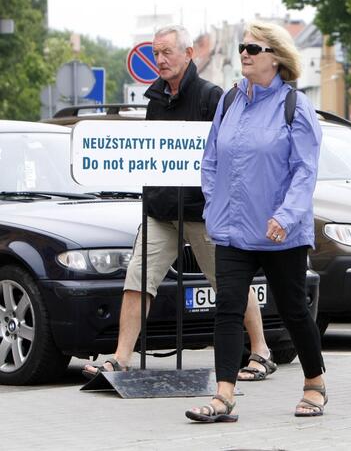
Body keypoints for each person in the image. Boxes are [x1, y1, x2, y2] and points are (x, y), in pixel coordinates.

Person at [83, 25, 275, 383]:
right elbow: (155, 152)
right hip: (160, 211)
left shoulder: (209, 96)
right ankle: (122, 359)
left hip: (203, 212)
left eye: (166, 52)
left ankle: (261, 351)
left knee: (228, 283)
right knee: (137, 280)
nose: (159, 60)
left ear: (188, 54)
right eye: (155, 53)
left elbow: (228, 148)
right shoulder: (155, 98)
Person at [186, 21, 324, 422]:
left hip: (281, 232)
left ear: (276, 57)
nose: (244, 53)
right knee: (227, 308)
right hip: (232, 229)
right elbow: (211, 160)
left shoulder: (294, 106)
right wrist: (214, 206)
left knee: (294, 309)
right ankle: (224, 394)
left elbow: (305, 171)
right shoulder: (229, 101)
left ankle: (315, 383)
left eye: (253, 48)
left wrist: (285, 215)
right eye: (243, 46)